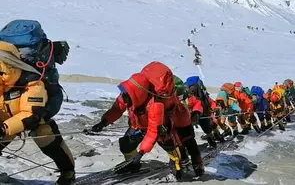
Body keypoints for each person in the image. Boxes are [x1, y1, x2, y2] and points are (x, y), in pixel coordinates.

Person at [0, 41, 75, 185]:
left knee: (45, 136)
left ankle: (68, 174)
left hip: (35, 118)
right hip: (6, 121)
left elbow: (31, 114)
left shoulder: (33, 81)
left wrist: (3, 128)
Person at [91, 73, 184, 178]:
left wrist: (141, 153)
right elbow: (117, 109)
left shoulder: (154, 105)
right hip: (138, 126)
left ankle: (176, 163)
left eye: (126, 94)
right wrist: (103, 122)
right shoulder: (127, 96)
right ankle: (132, 164)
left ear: (136, 93)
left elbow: (153, 132)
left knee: (169, 146)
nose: (123, 96)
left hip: (160, 128)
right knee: (126, 144)